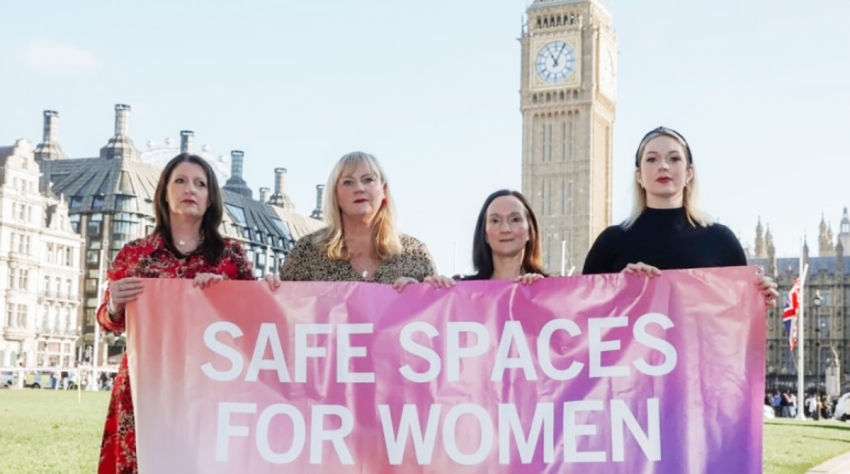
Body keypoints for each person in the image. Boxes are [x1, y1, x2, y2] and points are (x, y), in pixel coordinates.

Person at [96, 153, 259, 474]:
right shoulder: (135, 254)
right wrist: (114, 303)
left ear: (210, 197)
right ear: (164, 192)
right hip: (147, 385)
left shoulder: (231, 256)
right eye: (180, 181)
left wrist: (225, 295)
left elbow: (254, 323)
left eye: (200, 184)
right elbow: (107, 322)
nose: (190, 190)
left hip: (211, 385)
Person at [582, 126, 778, 303]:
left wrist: (757, 298)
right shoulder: (611, 242)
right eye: (652, 159)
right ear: (639, 176)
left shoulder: (720, 240)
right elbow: (580, 313)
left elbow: (735, 317)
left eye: (674, 158)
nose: (663, 166)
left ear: (689, 173)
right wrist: (618, 286)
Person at [280, 151, 447, 289]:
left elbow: (437, 317)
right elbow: (283, 315)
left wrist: (421, 295)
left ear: (384, 190)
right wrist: (269, 289)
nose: (359, 188)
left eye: (368, 180)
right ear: (335, 195)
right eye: (348, 182)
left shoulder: (416, 256)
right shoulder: (306, 253)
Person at [458, 189, 545, 284]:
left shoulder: (552, 291)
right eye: (495, 221)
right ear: (485, 234)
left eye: (515, 219)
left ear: (530, 231)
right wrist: (440, 291)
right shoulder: (462, 290)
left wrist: (541, 291)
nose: (505, 229)